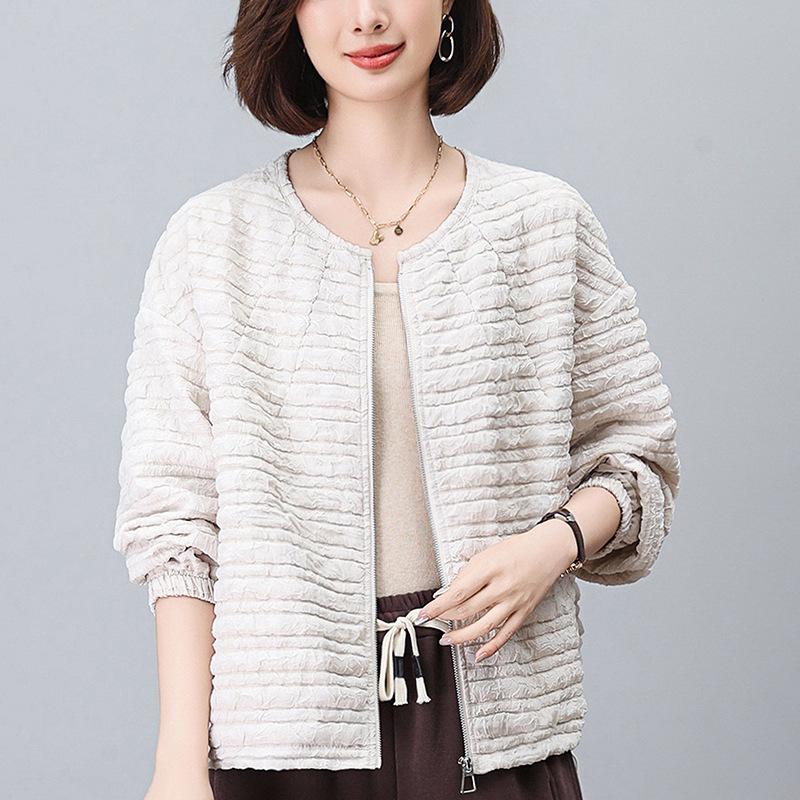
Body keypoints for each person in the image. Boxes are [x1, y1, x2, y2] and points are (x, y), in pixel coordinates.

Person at [112, 2, 681, 798]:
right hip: (279, 740)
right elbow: (178, 529)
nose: (368, 17)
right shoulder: (214, 240)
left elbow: (638, 464)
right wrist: (177, 763)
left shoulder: (542, 224)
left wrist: (552, 544)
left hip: (494, 717)